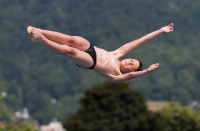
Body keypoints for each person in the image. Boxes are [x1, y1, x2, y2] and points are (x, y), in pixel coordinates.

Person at [27, 23, 174, 82]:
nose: (129, 63)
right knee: (69, 39)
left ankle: (41, 39)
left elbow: (131, 76)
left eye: (132, 66)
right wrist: (161, 31)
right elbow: (140, 41)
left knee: (69, 50)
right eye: (132, 60)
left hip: (91, 62)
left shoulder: (117, 75)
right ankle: (39, 31)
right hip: (91, 48)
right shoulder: (118, 53)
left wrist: (147, 71)